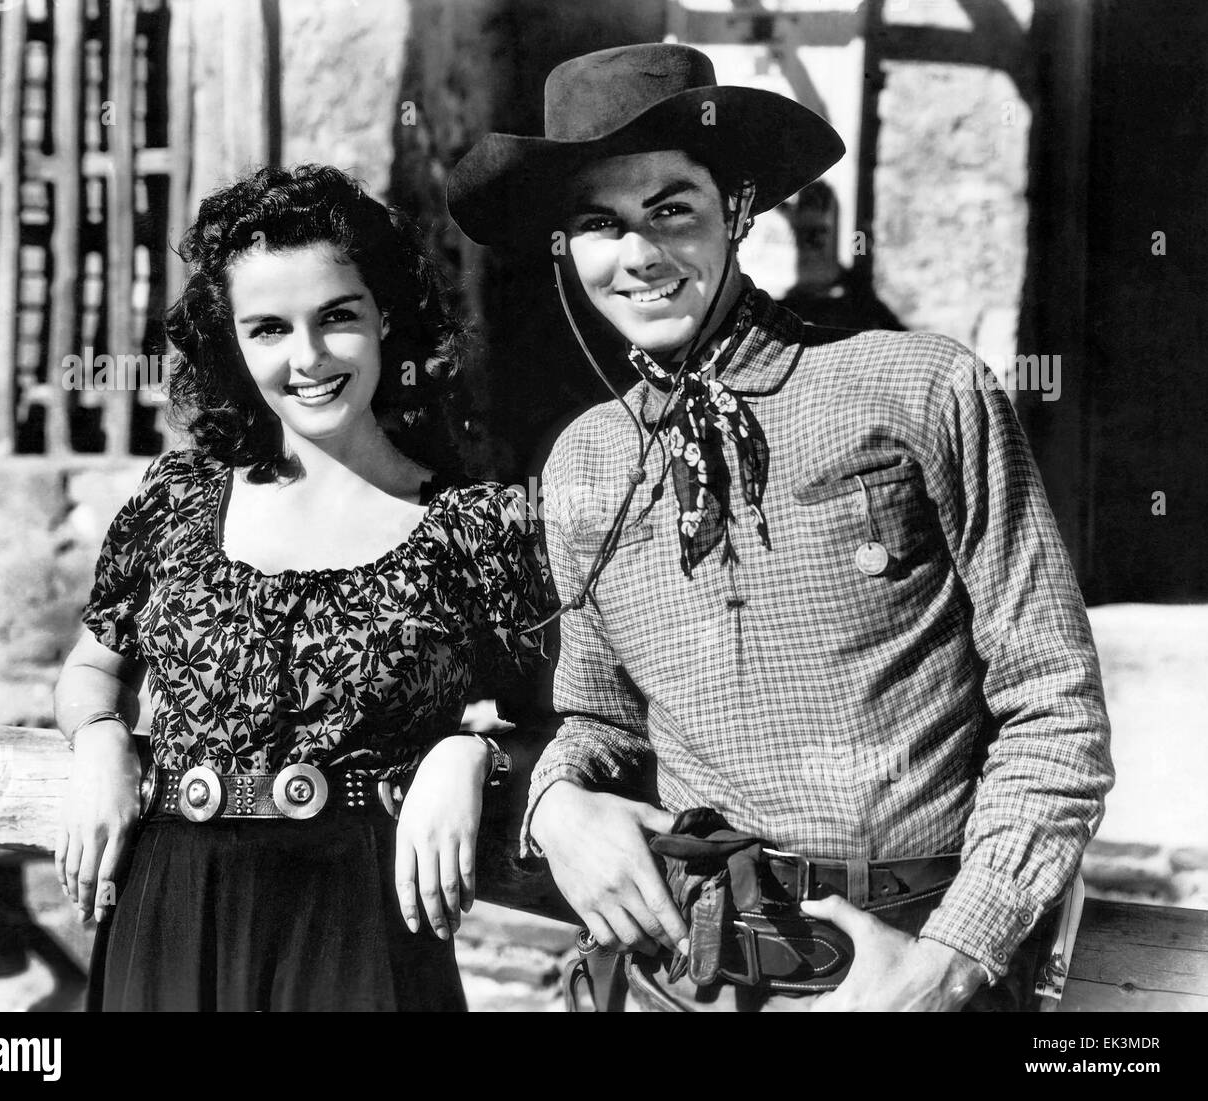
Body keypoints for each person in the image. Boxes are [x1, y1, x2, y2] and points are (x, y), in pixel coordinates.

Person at [447, 43, 1113, 1011]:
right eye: (598, 223)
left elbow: (1056, 716)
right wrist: (552, 804)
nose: (638, 255)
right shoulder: (585, 461)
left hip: (910, 970)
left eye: (670, 209)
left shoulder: (921, 390)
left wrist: (948, 964)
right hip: (685, 976)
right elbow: (596, 718)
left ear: (737, 210)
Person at [52, 164, 550, 1011]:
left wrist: (472, 753)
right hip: (171, 917)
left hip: (364, 933)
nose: (308, 357)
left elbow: (557, 724)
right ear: (234, 343)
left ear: (386, 316)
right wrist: (101, 741)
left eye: (338, 318)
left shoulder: (478, 529)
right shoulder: (176, 499)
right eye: (269, 329)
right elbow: (91, 670)